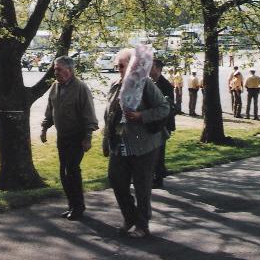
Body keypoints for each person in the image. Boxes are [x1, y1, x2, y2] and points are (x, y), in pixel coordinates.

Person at [102, 49, 170, 238]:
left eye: (121, 65)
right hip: (120, 144)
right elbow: (110, 117)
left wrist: (142, 116)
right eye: (117, 66)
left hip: (144, 145)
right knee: (116, 180)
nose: (118, 69)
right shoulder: (115, 85)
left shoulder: (145, 84)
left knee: (142, 186)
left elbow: (164, 108)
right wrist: (106, 142)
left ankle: (142, 224)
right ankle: (129, 217)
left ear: (132, 65)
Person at [41, 56, 99, 221]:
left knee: (72, 171)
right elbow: (50, 110)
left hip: (77, 136)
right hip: (63, 136)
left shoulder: (81, 88)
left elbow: (89, 115)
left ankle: (79, 207)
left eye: (58, 69)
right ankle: (71, 205)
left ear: (69, 70)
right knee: (64, 172)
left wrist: (88, 137)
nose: (55, 72)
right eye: (55, 69)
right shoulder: (55, 87)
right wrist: (44, 128)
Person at [149, 59, 176, 189]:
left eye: (151, 67)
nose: (148, 69)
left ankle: (158, 178)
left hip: (163, 124)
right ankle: (155, 175)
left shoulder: (165, 85)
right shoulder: (151, 82)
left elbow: (168, 107)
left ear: (158, 68)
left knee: (159, 152)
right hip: (154, 123)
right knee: (153, 151)